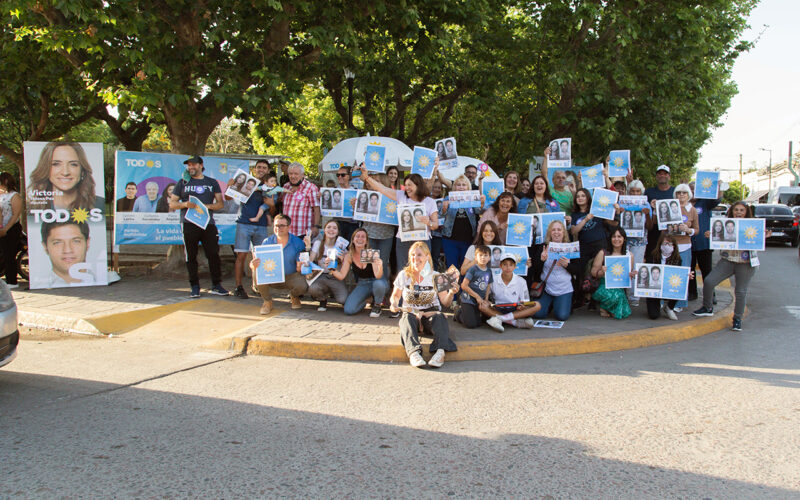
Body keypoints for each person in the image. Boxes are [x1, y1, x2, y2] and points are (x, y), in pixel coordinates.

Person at [693, 202, 769, 331]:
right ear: (732, 211)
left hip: (745, 263)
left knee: (740, 291)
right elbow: (717, 237)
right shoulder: (724, 223)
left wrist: (764, 236)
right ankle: (707, 307)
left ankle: (737, 319)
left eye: (742, 210)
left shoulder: (753, 224)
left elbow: (757, 240)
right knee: (709, 281)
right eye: (736, 210)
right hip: (728, 260)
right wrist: (710, 236)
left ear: (746, 212)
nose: (738, 212)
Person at [389, 242, 458, 368]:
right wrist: (393, 304)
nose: (416, 258)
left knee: (440, 318)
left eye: (419, 255)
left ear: (427, 257)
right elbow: (395, 295)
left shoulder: (437, 276)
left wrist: (451, 293)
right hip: (411, 314)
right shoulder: (403, 275)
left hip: (430, 315)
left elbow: (445, 302)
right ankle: (414, 353)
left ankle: (440, 352)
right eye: (413, 255)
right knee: (405, 319)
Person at [169, 155, 228, 298]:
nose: (191, 168)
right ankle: (194, 286)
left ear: (201, 165)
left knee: (213, 254)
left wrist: (205, 207)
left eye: (193, 165)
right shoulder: (182, 182)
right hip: (189, 224)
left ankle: (216, 285)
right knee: (191, 256)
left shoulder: (211, 182)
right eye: (188, 165)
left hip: (208, 223)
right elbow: (172, 203)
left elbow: (220, 203)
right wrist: (184, 204)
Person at [358, 167, 439, 271]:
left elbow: (435, 225)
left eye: (410, 185)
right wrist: (367, 177)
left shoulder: (430, 202)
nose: (407, 188)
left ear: (418, 186)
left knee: (422, 270)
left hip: (422, 240)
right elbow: (382, 188)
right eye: (405, 185)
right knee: (403, 270)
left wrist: (428, 222)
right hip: (403, 240)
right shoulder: (401, 195)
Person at [230, 160, 276, 299]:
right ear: (254, 169)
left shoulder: (269, 187)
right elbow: (228, 196)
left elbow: (272, 210)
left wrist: (271, 204)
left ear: (268, 170)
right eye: (259, 167)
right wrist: (230, 185)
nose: (261, 170)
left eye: (264, 168)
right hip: (244, 223)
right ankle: (238, 286)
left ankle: (258, 286)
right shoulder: (246, 183)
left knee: (260, 257)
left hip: (261, 226)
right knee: (241, 256)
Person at [250, 214, 308, 314]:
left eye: (282, 225)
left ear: (289, 227)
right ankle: (267, 301)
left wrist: (301, 266)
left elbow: (302, 265)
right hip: (272, 277)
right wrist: (252, 265)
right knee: (256, 272)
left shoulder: (298, 242)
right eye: (276, 225)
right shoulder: (267, 242)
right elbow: (256, 263)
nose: (278, 228)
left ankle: (294, 296)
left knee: (303, 284)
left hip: (290, 277)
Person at [27, 141, 105, 211]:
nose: (65, 172)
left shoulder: (99, 205)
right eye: (56, 164)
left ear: (82, 171)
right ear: (45, 169)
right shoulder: (32, 207)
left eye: (73, 164)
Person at [331, 228, 388, 317]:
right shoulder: (349, 255)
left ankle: (377, 305)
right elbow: (341, 276)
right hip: (363, 283)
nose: (360, 239)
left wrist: (380, 266)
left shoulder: (371, 253)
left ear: (366, 241)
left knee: (379, 284)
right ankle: (365, 300)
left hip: (377, 281)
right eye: (357, 236)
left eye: (363, 237)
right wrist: (331, 269)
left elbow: (378, 276)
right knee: (348, 310)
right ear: (353, 240)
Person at [534, 220, 580, 321]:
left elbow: (578, 270)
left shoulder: (570, 247)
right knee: (538, 314)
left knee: (562, 316)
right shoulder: (543, 247)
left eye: (559, 230)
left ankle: (558, 304)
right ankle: (550, 304)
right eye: (553, 230)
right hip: (547, 288)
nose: (556, 232)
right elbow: (535, 272)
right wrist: (541, 260)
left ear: (563, 232)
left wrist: (567, 265)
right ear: (550, 233)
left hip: (564, 289)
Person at [483, 254, 541, 332]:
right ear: (500, 266)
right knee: (482, 306)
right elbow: (486, 297)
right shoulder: (493, 279)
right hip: (497, 308)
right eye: (505, 264)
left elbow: (525, 301)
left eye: (511, 265)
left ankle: (500, 319)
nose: (508, 267)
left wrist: (522, 305)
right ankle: (515, 322)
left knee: (537, 305)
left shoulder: (521, 281)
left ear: (514, 266)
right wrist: (488, 302)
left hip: (515, 309)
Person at [570, 188, 608, 307]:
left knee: (597, 271)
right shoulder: (575, 215)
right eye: (578, 196)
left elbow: (610, 219)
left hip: (599, 243)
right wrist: (586, 219)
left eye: (583, 196)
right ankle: (580, 298)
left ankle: (595, 299)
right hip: (584, 245)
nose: (580, 198)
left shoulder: (596, 210)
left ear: (588, 198)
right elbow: (574, 231)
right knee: (581, 271)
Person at [688, 180, 722, 302]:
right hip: (688, 244)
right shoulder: (684, 204)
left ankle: (710, 295)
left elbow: (717, 199)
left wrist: (718, 187)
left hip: (704, 244)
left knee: (707, 271)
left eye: (695, 189)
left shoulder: (705, 202)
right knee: (690, 270)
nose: (692, 192)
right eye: (690, 189)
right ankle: (692, 293)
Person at [667, 183, 699, 311]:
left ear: (688, 195)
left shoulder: (692, 210)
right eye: (679, 192)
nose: (681, 194)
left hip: (685, 246)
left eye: (684, 192)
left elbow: (697, 230)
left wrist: (688, 230)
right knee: (669, 274)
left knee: (683, 275)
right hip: (669, 246)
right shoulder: (669, 207)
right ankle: (666, 300)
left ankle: (679, 304)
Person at [590, 227, 634, 319]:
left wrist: (631, 275)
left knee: (623, 313)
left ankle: (607, 308)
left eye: (619, 236)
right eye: (614, 237)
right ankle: (604, 307)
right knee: (616, 298)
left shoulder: (629, 255)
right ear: (610, 239)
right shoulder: (603, 253)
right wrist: (602, 272)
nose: (616, 239)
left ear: (624, 239)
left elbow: (628, 275)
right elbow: (593, 272)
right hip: (603, 286)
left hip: (619, 286)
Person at [440, 175, 481, 270]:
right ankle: (453, 285)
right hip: (450, 239)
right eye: (458, 185)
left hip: (468, 239)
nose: (461, 187)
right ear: (454, 187)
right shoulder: (447, 198)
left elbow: (479, 211)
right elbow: (440, 216)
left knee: (465, 267)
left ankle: (463, 285)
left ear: (468, 187)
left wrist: (481, 203)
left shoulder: (472, 198)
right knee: (451, 267)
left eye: (464, 185)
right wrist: (444, 208)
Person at [306, 220, 349, 311]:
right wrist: (308, 247)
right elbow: (310, 260)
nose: (331, 230)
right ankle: (322, 299)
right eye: (328, 227)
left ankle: (333, 292)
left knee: (343, 300)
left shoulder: (342, 246)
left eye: (334, 228)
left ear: (337, 232)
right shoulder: (318, 243)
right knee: (312, 288)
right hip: (321, 276)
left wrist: (343, 259)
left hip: (335, 277)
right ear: (324, 230)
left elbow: (347, 265)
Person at [645, 233, 687, 321]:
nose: (667, 246)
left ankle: (669, 307)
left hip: (668, 286)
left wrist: (686, 276)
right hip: (654, 288)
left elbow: (678, 275)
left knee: (681, 283)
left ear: (674, 246)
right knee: (654, 315)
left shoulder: (677, 259)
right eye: (665, 243)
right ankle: (656, 304)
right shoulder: (653, 256)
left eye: (670, 244)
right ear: (660, 244)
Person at [40, 220, 93, 286]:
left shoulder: (104, 279)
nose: (67, 250)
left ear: (87, 243)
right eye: (57, 243)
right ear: (45, 247)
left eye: (76, 241)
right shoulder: (40, 285)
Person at [625, 180, 650, 307]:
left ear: (641, 192)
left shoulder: (646, 204)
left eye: (637, 191)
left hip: (640, 241)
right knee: (624, 267)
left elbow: (650, 226)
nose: (635, 193)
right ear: (629, 192)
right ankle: (623, 294)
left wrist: (648, 215)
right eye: (633, 191)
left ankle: (634, 296)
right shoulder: (622, 202)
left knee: (637, 267)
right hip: (624, 240)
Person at [455, 245, 493, 328]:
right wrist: (477, 296)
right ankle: (459, 314)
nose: (483, 258)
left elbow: (488, 285)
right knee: (471, 325)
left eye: (485, 255)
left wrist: (486, 299)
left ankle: (470, 314)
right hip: (468, 299)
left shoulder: (489, 271)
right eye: (480, 255)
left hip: (479, 301)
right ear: (476, 257)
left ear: (489, 258)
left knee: (481, 323)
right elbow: (463, 285)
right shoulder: (473, 269)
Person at [280, 161, 320, 239]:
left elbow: (316, 209)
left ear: (302, 175)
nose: (293, 176)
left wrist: (316, 226)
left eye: (296, 174)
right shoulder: (285, 187)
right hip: (287, 232)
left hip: (303, 232)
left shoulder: (311, 187)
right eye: (290, 174)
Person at [645, 165, 675, 257]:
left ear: (669, 176)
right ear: (656, 176)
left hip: (670, 233)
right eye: (660, 174)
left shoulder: (675, 192)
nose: (662, 176)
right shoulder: (649, 192)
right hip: (653, 233)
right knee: (652, 258)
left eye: (665, 174)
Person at [0, 173, 24, 288]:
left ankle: (12, 281)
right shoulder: (2, 195)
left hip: (12, 228)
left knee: (9, 254)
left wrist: (6, 228)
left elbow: (15, 215)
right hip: (3, 228)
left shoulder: (15, 196)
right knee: (4, 254)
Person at [540, 146, 574, 213]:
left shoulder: (570, 195)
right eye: (558, 177)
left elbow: (576, 209)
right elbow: (544, 174)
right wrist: (546, 157)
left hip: (565, 222)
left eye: (563, 178)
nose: (561, 179)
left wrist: (574, 193)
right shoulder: (550, 189)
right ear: (553, 180)